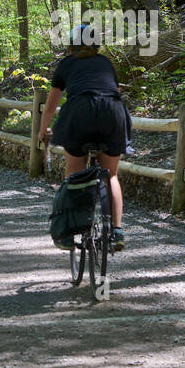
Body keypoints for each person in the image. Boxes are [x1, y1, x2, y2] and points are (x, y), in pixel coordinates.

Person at [38, 23, 130, 249]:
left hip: (80, 113)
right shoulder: (105, 63)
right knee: (112, 175)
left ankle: (69, 230)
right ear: (96, 44)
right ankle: (117, 231)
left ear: (71, 46)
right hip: (113, 113)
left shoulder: (67, 64)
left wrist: (43, 130)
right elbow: (114, 91)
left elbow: (51, 105)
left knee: (74, 173)